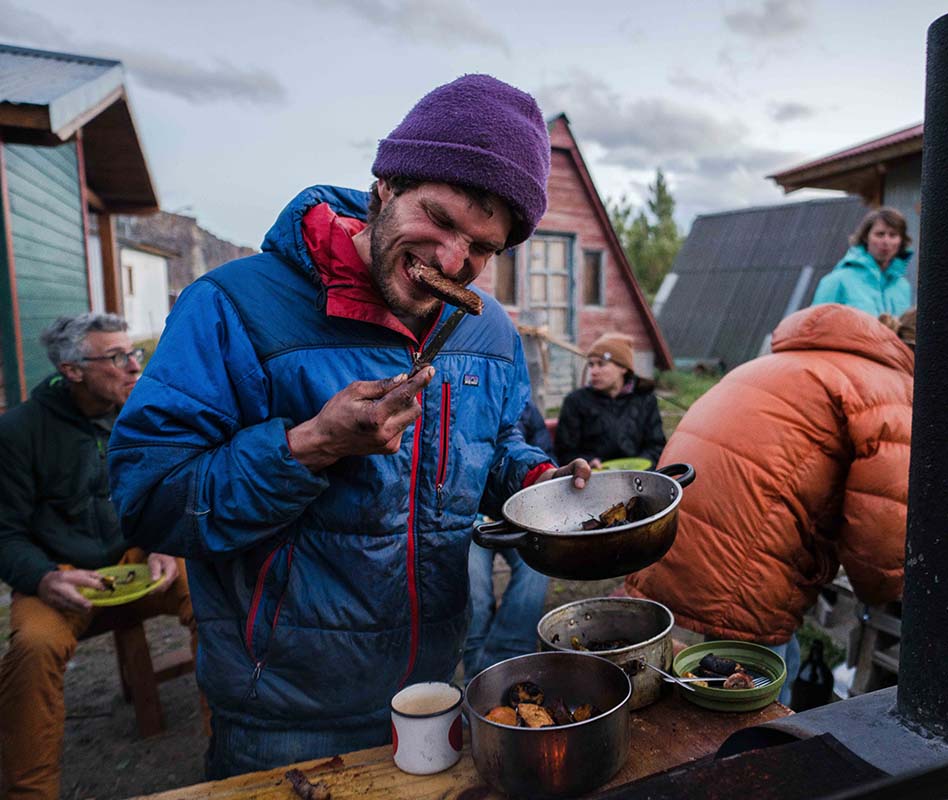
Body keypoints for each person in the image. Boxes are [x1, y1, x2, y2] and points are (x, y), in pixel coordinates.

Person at [106, 75, 591, 778]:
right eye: (442, 220)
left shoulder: (487, 331)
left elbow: (491, 455)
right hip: (282, 713)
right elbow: (147, 500)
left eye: (483, 248)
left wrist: (544, 484)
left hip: (432, 689)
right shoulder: (233, 307)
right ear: (385, 187)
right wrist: (310, 446)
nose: (453, 261)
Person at [625, 304, 915, 706]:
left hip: (673, 523)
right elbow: (883, 530)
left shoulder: (791, 361)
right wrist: (885, 588)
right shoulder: (890, 390)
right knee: (748, 695)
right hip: (744, 548)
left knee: (778, 663)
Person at [0, 314, 200, 800]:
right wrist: (43, 578)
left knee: (213, 597)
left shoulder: (145, 412)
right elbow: (5, 533)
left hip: (142, 558)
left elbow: (173, 487)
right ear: (72, 370)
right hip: (64, 577)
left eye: (134, 353)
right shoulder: (20, 431)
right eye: (116, 357)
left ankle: (234, 748)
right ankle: (30, 793)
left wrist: (163, 543)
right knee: (32, 649)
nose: (134, 366)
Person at [463, 400, 553, 679]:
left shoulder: (526, 409)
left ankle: (510, 657)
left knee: (536, 567)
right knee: (473, 589)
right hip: (470, 518)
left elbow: (543, 452)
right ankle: (477, 673)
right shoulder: (458, 405)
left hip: (517, 516)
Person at [554, 332, 665, 469]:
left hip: (637, 479)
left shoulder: (645, 399)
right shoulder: (576, 401)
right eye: (591, 365)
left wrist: (641, 467)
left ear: (623, 368)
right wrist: (588, 462)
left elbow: (656, 446)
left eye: (601, 364)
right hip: (592, 479)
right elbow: (565, 451)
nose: (593, 371)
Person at [811, 207, 913, 317]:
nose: (886, 241)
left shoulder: (903, 287)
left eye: (893, 235)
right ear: (865, 237)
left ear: (901, 240)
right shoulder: (838, 280)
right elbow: (815, 326)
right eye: (880, 234)